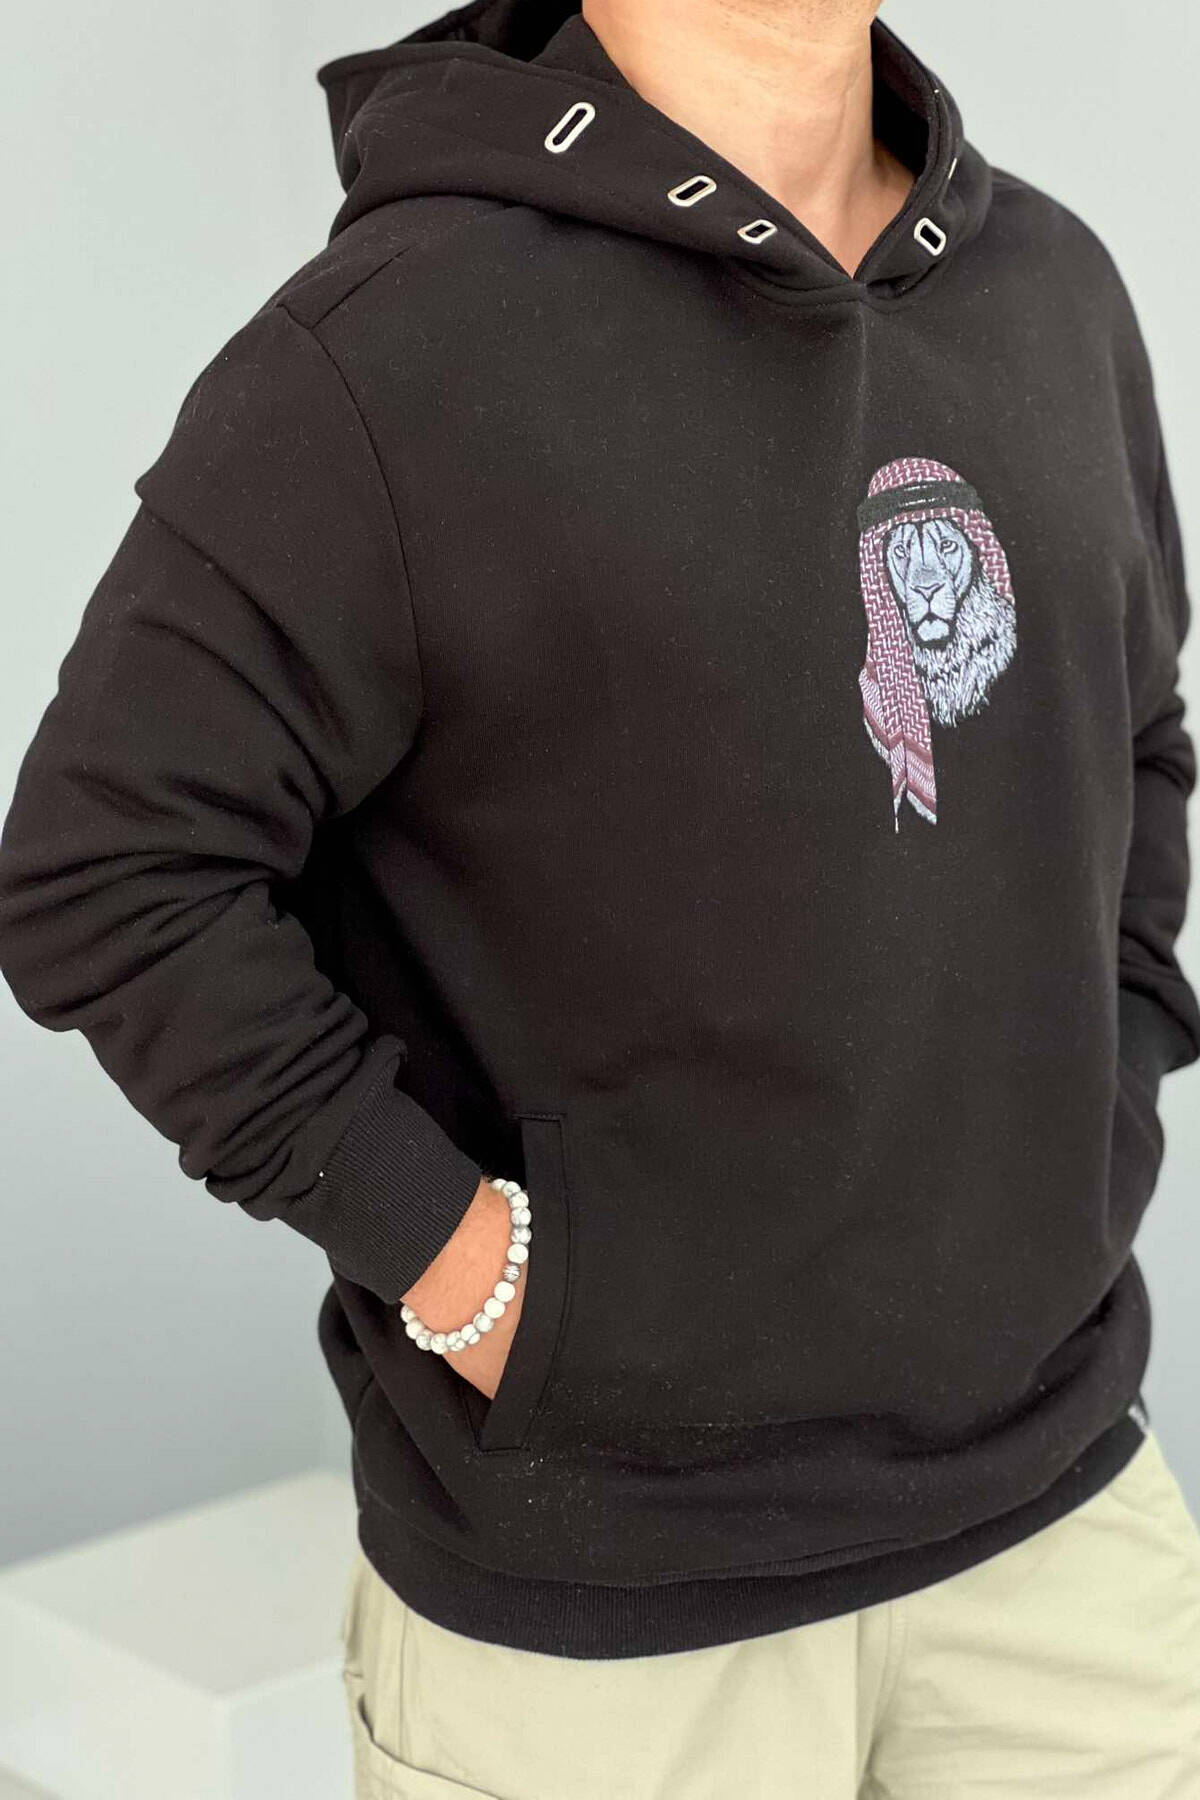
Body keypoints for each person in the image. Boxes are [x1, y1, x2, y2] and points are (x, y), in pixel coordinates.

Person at [2, 0, 1199, 1791]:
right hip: (604, 1617)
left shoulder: (1059, 292)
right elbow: (106, 864)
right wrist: (476, 1282)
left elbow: (1138, 735)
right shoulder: (389, 351)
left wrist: (1111, 1099)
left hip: (1066, 1549)